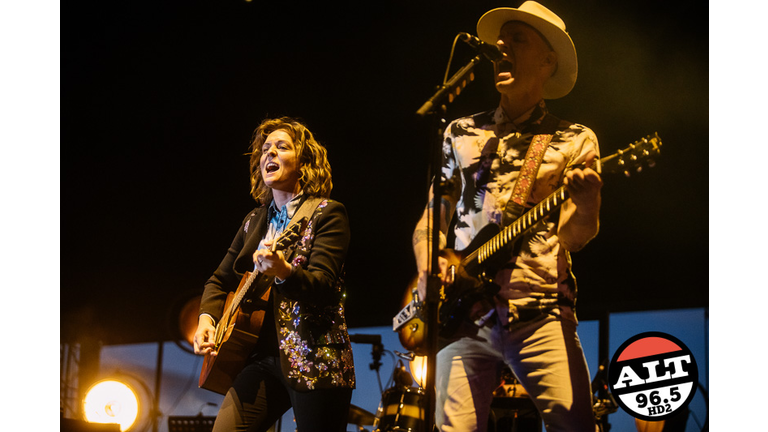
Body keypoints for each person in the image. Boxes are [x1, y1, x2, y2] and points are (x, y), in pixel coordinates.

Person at [412, 2, 602, 431]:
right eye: (500, 42)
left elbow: (574, 236)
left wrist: (588, 201)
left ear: (547, 60)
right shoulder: (459, 131)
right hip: (462, 315)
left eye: (517, 40)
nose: (502, 48)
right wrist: (429, 264)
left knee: (574, 425)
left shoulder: (574, 139)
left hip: (538, 310)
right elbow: (432, 216)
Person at [194, 117, 355, 432]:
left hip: (315, 357)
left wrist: (283, 271)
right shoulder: (254, 220)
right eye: (265, 149)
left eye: (281, 147)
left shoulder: (327, 214)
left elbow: (322, 285)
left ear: (304, 163)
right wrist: (207, 318)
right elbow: (219, 280)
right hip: (261, 359)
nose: (269, 154)